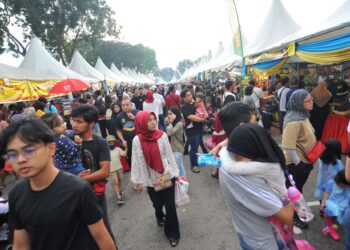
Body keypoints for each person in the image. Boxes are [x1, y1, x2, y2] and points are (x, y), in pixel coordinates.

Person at [1, 119, 116, 249]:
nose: (20, 159)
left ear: (51, 148)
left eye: (28, 150)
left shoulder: (78, 190)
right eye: (13, 154)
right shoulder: (16, 195)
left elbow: (102, 237)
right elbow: (21, 245)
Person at [215, 107, 295, 250]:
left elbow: (226, 152)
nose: (257, 125)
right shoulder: (247, 176)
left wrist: (220, 146)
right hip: (263, 243)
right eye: (254, 121)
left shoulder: (227, 155)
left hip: (248, 233)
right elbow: (287, 218)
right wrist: (292, 198)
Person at [131, 111, 180, 247]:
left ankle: (172, 233)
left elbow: (169, 155)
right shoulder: (136, 140)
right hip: (150, 181)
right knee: (158, 204)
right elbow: (135, 161)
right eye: (149, 120)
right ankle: (159, 214)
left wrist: (176, 172)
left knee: (170, 207)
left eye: (154, 119)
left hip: (166, 175)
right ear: (142, 123)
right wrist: (137, 181)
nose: (153, 122)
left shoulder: (162, 135)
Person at [70, 104, 115, 242]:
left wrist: (81, 179)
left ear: (91, 124)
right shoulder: (67, 141)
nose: (74, 125)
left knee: (103, 232)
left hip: (95, 195)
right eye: (73, 120)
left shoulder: (100, 143)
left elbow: (104, 171)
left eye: (79, 121)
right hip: (71, 197)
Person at [282, 89, 316, 229]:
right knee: (295, 191)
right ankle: (295, 217)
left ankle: (296, 213)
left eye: (311, 99)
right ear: (298, 104)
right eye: (307, 101)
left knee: (298, 189)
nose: (311, 102)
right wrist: (300, 164)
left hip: (306, 161)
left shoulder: (303, 116)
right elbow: (288, 147)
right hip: (296, 165)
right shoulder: (293, 122)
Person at [314, 139, 344, 214]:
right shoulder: (338, 163)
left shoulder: (321, 160)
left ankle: (322, 211)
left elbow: (317, 151)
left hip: (321, 184)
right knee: (330, 201)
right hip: (331, 188)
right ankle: (328, 212)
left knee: (322, 198)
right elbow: (342, 175)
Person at [181, 89, 206, 173]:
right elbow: (191, 117)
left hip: (199, 129)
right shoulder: (184, 107)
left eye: (190, 94)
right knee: (194, 148)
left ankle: (196, 161)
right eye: (188, 95)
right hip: (191, 130)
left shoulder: (194, 104)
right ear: (184, 98)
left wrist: (202, 106)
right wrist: (202, 119)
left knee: (197, 145)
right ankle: (194, 165)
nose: (190, 96)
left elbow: (204, 113)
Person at [321, 170, 350, 241]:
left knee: (338, 220)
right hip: (332, 205)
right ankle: (331, 230)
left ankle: (332, 227)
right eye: (340, 185)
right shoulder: (331, 183)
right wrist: (323, 203)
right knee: (332, 220)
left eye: (344, 186)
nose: (342, 187)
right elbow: (326, 193)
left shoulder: (347, 186)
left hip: (343, 206)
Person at [116, 99, 139, 168]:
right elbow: (119, 131)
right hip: (127, 141)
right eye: (123, 105)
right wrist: (123, 140)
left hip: (138, 139)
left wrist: (134, 118)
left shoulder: (137, 112)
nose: (125, 107)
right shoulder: (119, 116)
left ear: (131, 105)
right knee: (131, 158)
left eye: (127, 105)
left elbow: (143, 124)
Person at [107, 135, 126, 206]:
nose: (111, 144)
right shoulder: (106, 151)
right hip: (112, 170)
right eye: (109, 142)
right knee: (115, 182)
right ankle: (118, 197)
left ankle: (119, 191)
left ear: (114, 142)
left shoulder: (118, 149)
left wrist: (126, 147)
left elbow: (124, 154)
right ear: (107, 143)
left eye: (112, 142)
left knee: (120, 179)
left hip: (119, 168)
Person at [167, 107, 186, 178]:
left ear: (176, 114)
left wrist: (170, 122)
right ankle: (184, 185)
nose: (169, 116)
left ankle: (179, 186)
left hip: (177, 150)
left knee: (176, 170)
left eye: (171, 114)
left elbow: (169, 132)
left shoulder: (179, 124)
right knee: (181, 168)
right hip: (175, 149)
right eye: (168, 114)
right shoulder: (174, 123)